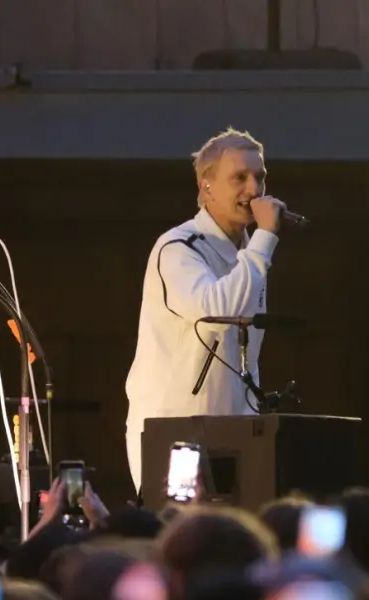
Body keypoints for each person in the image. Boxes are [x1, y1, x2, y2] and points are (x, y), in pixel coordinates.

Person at [124, 127, 286, 493]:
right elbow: (217, 313)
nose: (253, 189)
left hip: (234, 434)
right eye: (239, 178)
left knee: (230, 540)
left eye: (259, 177)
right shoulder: (179, 248)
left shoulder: (249, 255)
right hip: (175, 436)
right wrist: (264, 240)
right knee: (181, 537)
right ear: (207, 186)